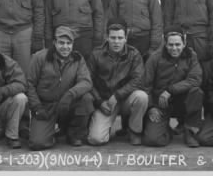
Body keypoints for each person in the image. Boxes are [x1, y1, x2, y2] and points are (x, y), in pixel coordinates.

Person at [163, 0, 213, 134]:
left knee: (206, 83)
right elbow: (168, 19)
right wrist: (170, 41)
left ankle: (211, 121)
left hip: (202, 41)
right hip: (181, 43)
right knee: (182, 81)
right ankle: (183, 122)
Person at [27, 26, 93, 150]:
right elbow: (29, 84)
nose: (65, 47)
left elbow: (86, 82)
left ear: (73, 44)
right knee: (37, 144)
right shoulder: (40, 57)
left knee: (86, 99)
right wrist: (36, 107)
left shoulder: (77, 59)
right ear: (54, 43)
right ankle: (51, 131)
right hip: (45, 106)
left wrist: (70, 95)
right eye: (61, 43)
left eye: (69, 43)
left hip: (67, 104)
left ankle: (73, 134)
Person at [87, 18, 148, 146]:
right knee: (96, 139)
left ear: (126, 37)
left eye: (120, 38)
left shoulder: (134, 54)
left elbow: (138, 80)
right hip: (105, 102)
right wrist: (99, 102)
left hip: (125, 99)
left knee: (141, 97)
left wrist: (118, 95)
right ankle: (105, 126)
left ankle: (134, 131)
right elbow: (88, 81)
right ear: (106, 37)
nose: (116, 42)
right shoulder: (96, 54)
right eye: (113, 38)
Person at [142, 26, 203, 147]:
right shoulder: (155, 58)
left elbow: (195, 79)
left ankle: (190, 131)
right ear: (165, 43)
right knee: (153, 140)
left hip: (182, 101)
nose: (174, 48)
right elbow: (145, 85)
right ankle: (166, 130)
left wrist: (170, 90)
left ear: (184, 43)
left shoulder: (191, 56)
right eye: (170, 45)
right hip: (160, 103)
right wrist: (151, 107)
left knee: (196, 92)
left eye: (177, 44)